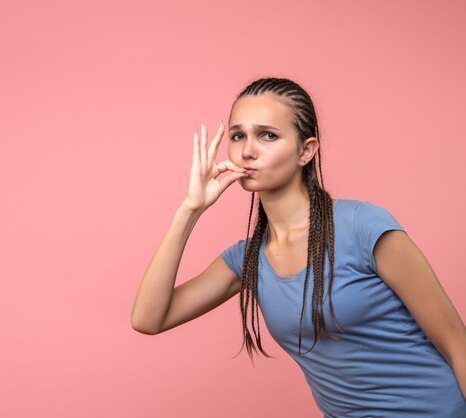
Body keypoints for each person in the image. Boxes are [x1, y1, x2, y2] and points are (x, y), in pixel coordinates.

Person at [130, 77, 466, 417]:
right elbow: (148, 318)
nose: (247, 150)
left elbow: (458, 346)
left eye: (268, 135)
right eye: (238, 136)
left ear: (306, 151)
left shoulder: (364, 227)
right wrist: (190, 210)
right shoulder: (247, 260)